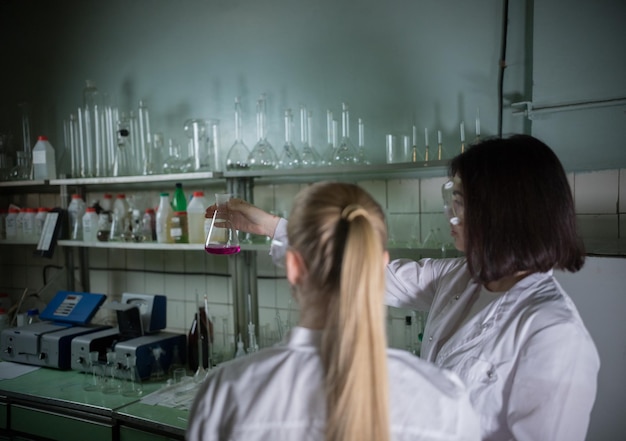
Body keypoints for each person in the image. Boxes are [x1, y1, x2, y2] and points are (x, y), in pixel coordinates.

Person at [205, 135, 600, 441]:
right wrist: (271, 226)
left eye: (459, 202)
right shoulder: (463, 277)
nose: (451, 215)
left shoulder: (555, 333)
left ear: (502, 212)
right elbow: (362, 270)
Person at [187, 182, 481, 441]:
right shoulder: (443, 399)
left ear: (292, 266)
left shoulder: (228, 394)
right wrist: (271, 225)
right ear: (379, 263)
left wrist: (276, 228)